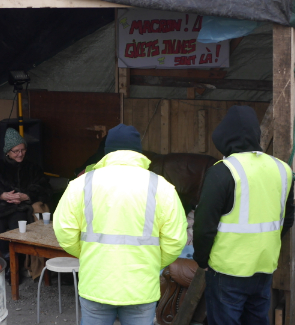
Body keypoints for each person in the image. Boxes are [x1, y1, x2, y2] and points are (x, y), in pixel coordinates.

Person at [54, 124, 186, 325]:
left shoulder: (81, 184)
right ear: (138, 152)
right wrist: (152, 262)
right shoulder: (162, 187)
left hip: (96, 283)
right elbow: (175, 240)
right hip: (141, 286)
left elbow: (64, 230)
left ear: (107, 151)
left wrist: (90, 254)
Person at [193, 105, 294, 325]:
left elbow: (204, 224)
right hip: (264, 267)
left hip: (227, 270)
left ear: (224, 137)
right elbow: (288, 218)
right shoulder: (283, 170)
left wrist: (202, 259)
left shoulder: (223, 171)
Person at [0, 128, 51, 257]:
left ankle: (18, 261)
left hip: (20, 208)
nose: (20, 154)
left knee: (18, 227)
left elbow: (44, 187)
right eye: (16, 151)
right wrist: (1, 195)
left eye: (23, 150)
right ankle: (7, 259)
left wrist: (26, 196)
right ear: (8, 152)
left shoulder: (33, 168)